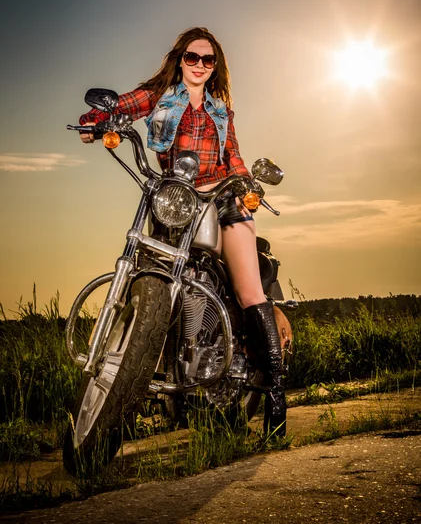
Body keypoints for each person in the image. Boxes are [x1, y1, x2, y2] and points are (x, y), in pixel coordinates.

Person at [79, 26, 292, 435]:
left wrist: (246, 182)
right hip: (176, 197)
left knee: (250, 292)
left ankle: (277, 398)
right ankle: (132, 389)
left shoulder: (220, 110)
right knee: (144, 269)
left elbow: (234, 156)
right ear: (181, 59)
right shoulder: (161, 95)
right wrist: (95, 120)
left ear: (215, 68)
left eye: (207, 60)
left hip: (222, 200)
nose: (198, 65)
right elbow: (124, 106)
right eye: (192, 58)